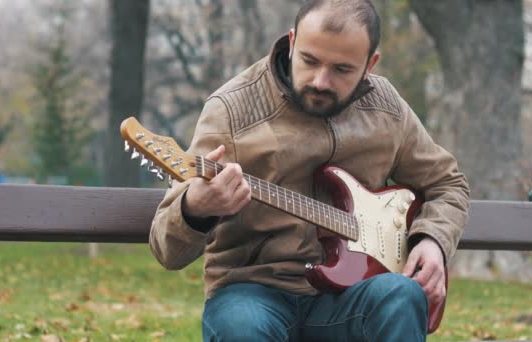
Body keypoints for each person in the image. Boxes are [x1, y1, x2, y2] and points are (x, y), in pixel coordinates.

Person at [150, 0, 470, 340]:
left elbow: (448, 184)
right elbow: (166, 249)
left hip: (352, 296)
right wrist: (196, 209)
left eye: (342, 70)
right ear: (292, 41)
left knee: (400, 295)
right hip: (253, 293)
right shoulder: (231, 111)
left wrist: (432, 241)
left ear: (369, 65)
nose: (320, 81)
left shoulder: (386, 108)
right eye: (309, 60)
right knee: (241, 325)